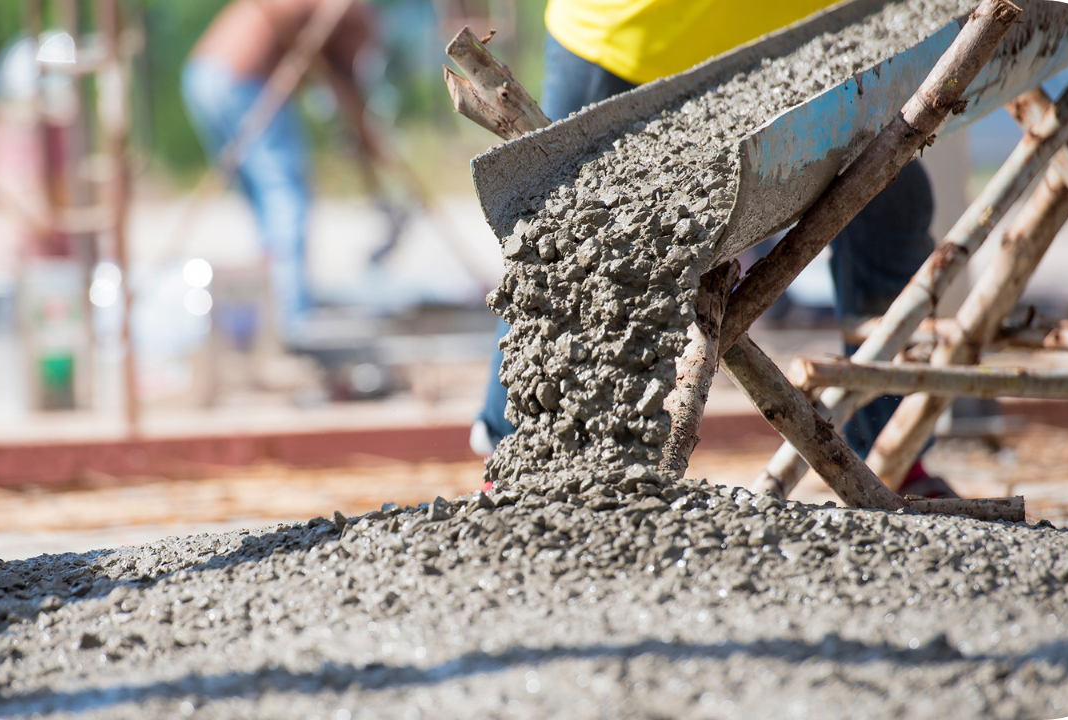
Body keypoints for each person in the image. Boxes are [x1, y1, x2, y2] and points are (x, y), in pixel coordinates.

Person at [470, 0, 958, 498]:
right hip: (628, 42)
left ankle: (895, 454)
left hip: (809, 46)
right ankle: (516, 461)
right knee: (565, 246)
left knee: (893, 207)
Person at [182, 0, 374, 346]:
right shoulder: (350, 14)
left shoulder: (334, 14)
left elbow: (342, 82)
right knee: (285, 192)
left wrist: (364, 141)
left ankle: (272, 305)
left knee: (264, 202)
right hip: (241, 78)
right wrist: (367, 139)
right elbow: (348, 81)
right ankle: (291, 317)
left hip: (203, 75)